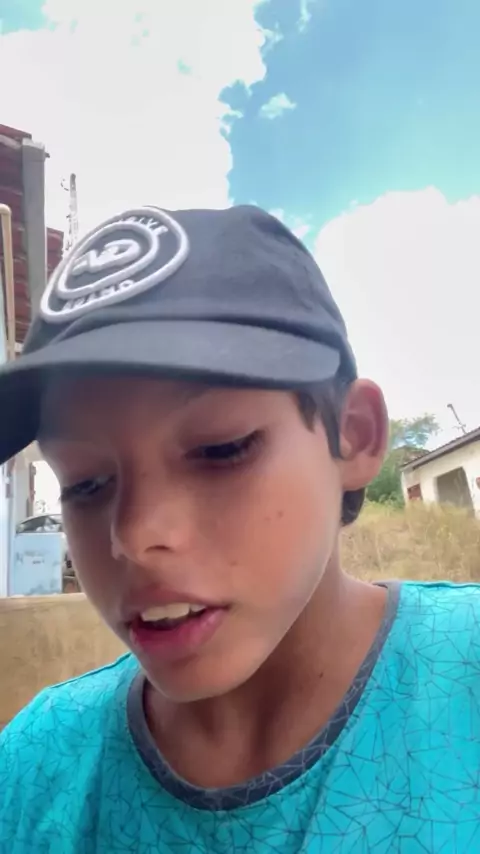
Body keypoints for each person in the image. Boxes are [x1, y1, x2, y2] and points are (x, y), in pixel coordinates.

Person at [0, 205, 479, 854]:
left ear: (354, 435)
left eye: (221, 449)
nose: (134, 535)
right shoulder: (33, 770)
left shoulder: (464, 679)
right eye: (84, 484)